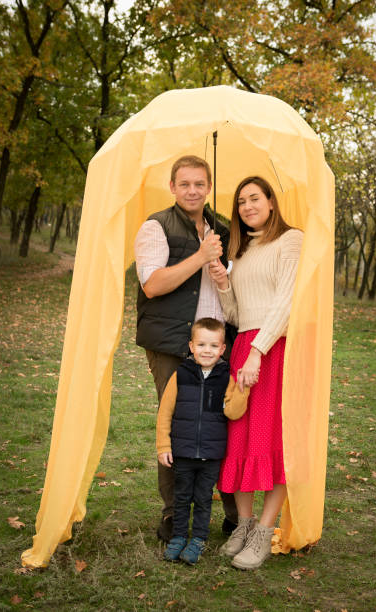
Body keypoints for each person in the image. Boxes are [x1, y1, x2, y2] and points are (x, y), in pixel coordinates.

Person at [134, 155, 238, 542]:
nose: (193, 190)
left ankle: (233, 515)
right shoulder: (155, 227)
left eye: (200, 183)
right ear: (173, 187)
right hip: (173, 345)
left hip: (217, 344)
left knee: (222, 423)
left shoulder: (224, 230)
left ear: (208, 186)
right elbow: (153, 285)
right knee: (177, 424)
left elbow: (232, 284)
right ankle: (174, 516)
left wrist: (220, 270)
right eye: (185, 184)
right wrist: (199, 257)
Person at [209, 175, 303, 570]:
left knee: (273, 440)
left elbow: (285, 303)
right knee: (240, 438)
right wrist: (223, 284)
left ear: (270, 201)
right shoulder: (242, 251)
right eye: (241, 202)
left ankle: (265, 532)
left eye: (254, 198)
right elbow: (235, 315)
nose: (247, 206)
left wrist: (258, 354)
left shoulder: (290, 240)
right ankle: (244, 525)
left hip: (274, 348)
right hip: (244, 345)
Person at [156, 318, 249, 565]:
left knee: (204, 499)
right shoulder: (180, 375)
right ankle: (178, 537)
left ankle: (198, 539)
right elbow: (165, 412)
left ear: (222, 349)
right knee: (182, 496)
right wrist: (164, 446)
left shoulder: (225, 378)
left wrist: (243, 389)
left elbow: (233, 413)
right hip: (183, 451)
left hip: (211, 452)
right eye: (201, 344)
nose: (207, 350)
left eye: (213, 345)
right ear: (191, 346)